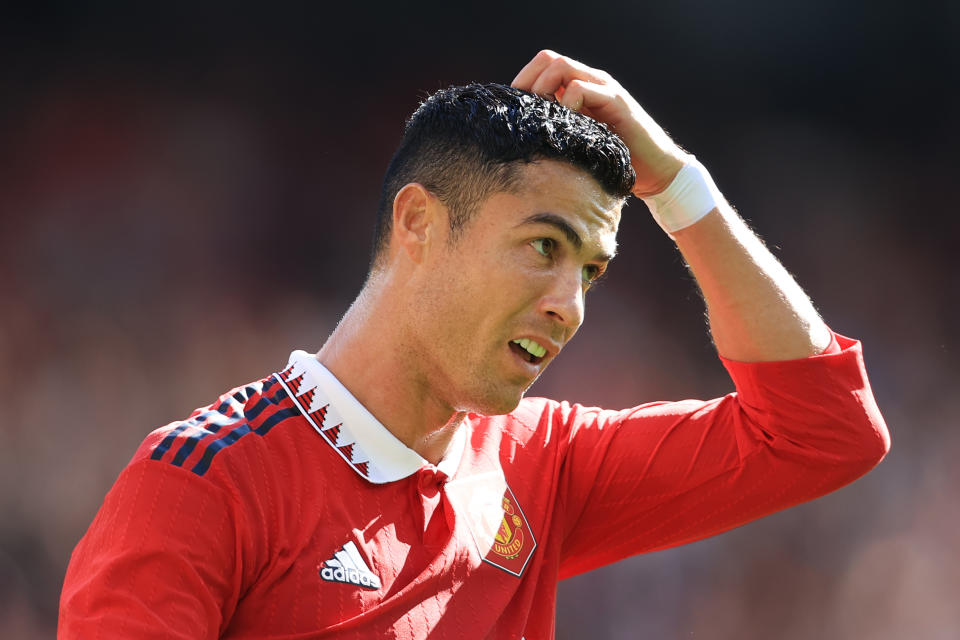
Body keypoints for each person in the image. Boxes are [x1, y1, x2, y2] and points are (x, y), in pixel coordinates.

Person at [59, 50, 889, 639]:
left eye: (592, 272)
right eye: (544, 248)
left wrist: (676, 183)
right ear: (419, 222)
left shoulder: (543, 465)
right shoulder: (203, 484)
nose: (571, 306)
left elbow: (825, 432)